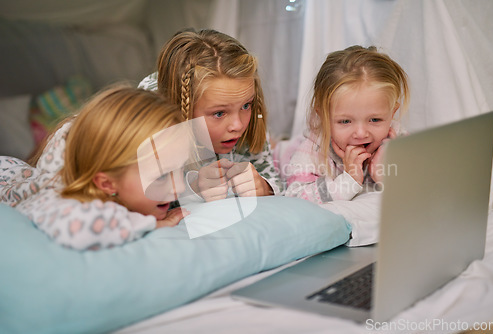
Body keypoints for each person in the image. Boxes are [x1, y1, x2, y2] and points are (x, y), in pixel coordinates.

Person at [0, 86, 191, 250]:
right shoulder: (66, 203)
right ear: (107, 184)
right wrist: (153, 226)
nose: (179, 187)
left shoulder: (138, 183)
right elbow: (77, 227)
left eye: (181, 168)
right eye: (162, 176)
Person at [138, 28, 283, 202]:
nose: (237, 125)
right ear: (181, 108)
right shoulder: (150, 123)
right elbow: (140, 198)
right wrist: (192, 190)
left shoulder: (248, 118)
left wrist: (264, 187)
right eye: (219, 113)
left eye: (246, 105)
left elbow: (274, 179)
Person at [285, 45, 410, 203]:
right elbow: (294, 198)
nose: (361, 133)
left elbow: (426, 189)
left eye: (375, 120)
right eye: (345, 121)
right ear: (323, 117)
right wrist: (349, 180)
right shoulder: (313, 150)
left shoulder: (396, 140)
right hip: (288, 153)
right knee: (283, 149)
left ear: (392, 113)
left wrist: (387, 177)